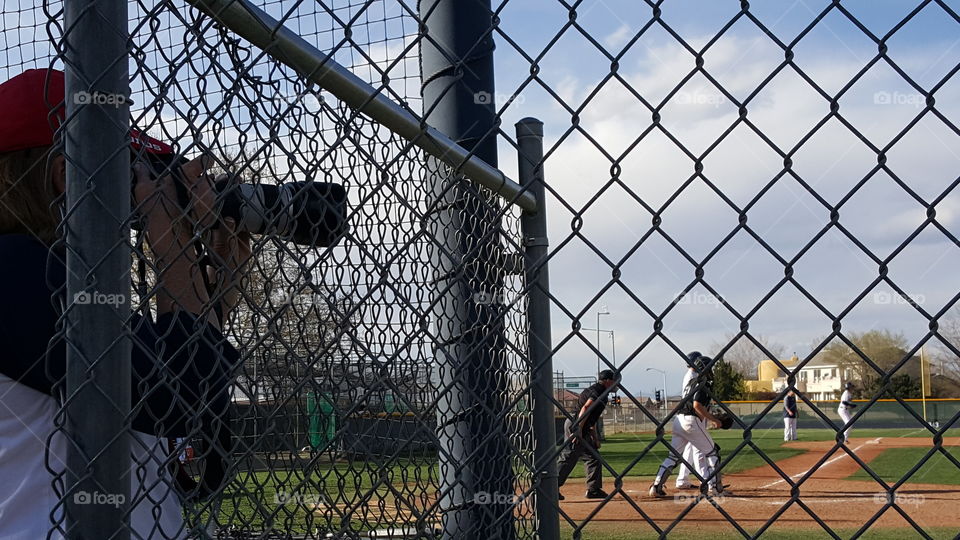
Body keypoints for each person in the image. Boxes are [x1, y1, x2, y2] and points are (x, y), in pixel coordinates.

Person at [0, 68, 249, 538]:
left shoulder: (46, 281)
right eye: (128, 171)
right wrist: (173, 245)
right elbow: (177, 400)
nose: (138, 194)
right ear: (66, 176)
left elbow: (162, 399)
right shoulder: (16, 268)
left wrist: (210, 293)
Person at [649, 352, 730, 498]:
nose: (711, 370)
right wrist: (714, 419)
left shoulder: (692, 381)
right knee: (712, 453)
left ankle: (656, 486)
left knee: (673, 456)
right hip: (691, 421)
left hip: (679, 421)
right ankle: (714, 488)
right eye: (709, 368)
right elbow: (697, 405)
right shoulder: (702, 383)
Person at [556, 369, 619, 500]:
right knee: (569, 456)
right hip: (576, 423)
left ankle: (593, 489)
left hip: (582, 424)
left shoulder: (602, 392)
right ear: (607, 381)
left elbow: (592, 419)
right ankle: (551, 487)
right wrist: (578, 428)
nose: (617, 384)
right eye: (615, 381)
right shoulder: (599, 390)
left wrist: (595, 438)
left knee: (593, 457)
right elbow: (586, 408)